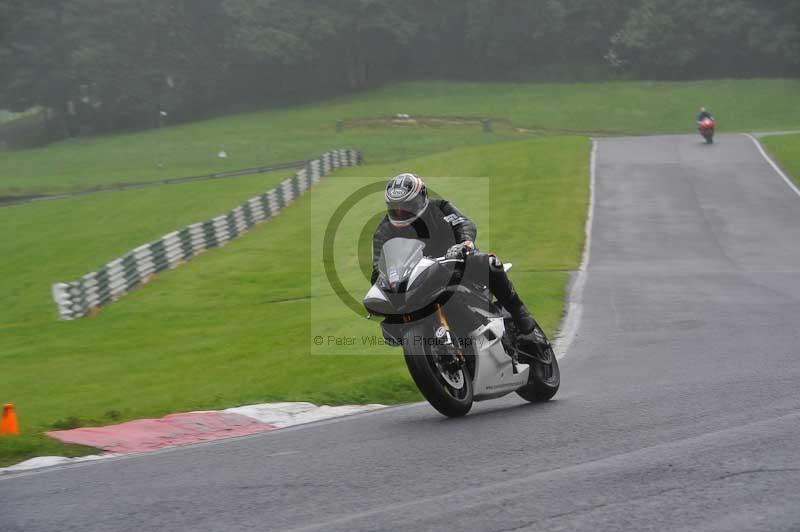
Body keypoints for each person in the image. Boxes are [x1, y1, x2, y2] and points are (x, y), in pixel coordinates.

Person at [371, 173, 548, 352]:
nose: (401, 213)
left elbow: (463, 224)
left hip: (454, 263)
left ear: (422, 198)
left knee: (490, 263)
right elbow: (379, 267)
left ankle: (524, 321)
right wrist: (385, 282)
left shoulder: (440, 207)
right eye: (395, 208)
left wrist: (464, 243)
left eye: (407, 207)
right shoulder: (383, 231)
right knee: (391, 322)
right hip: (417, 280)